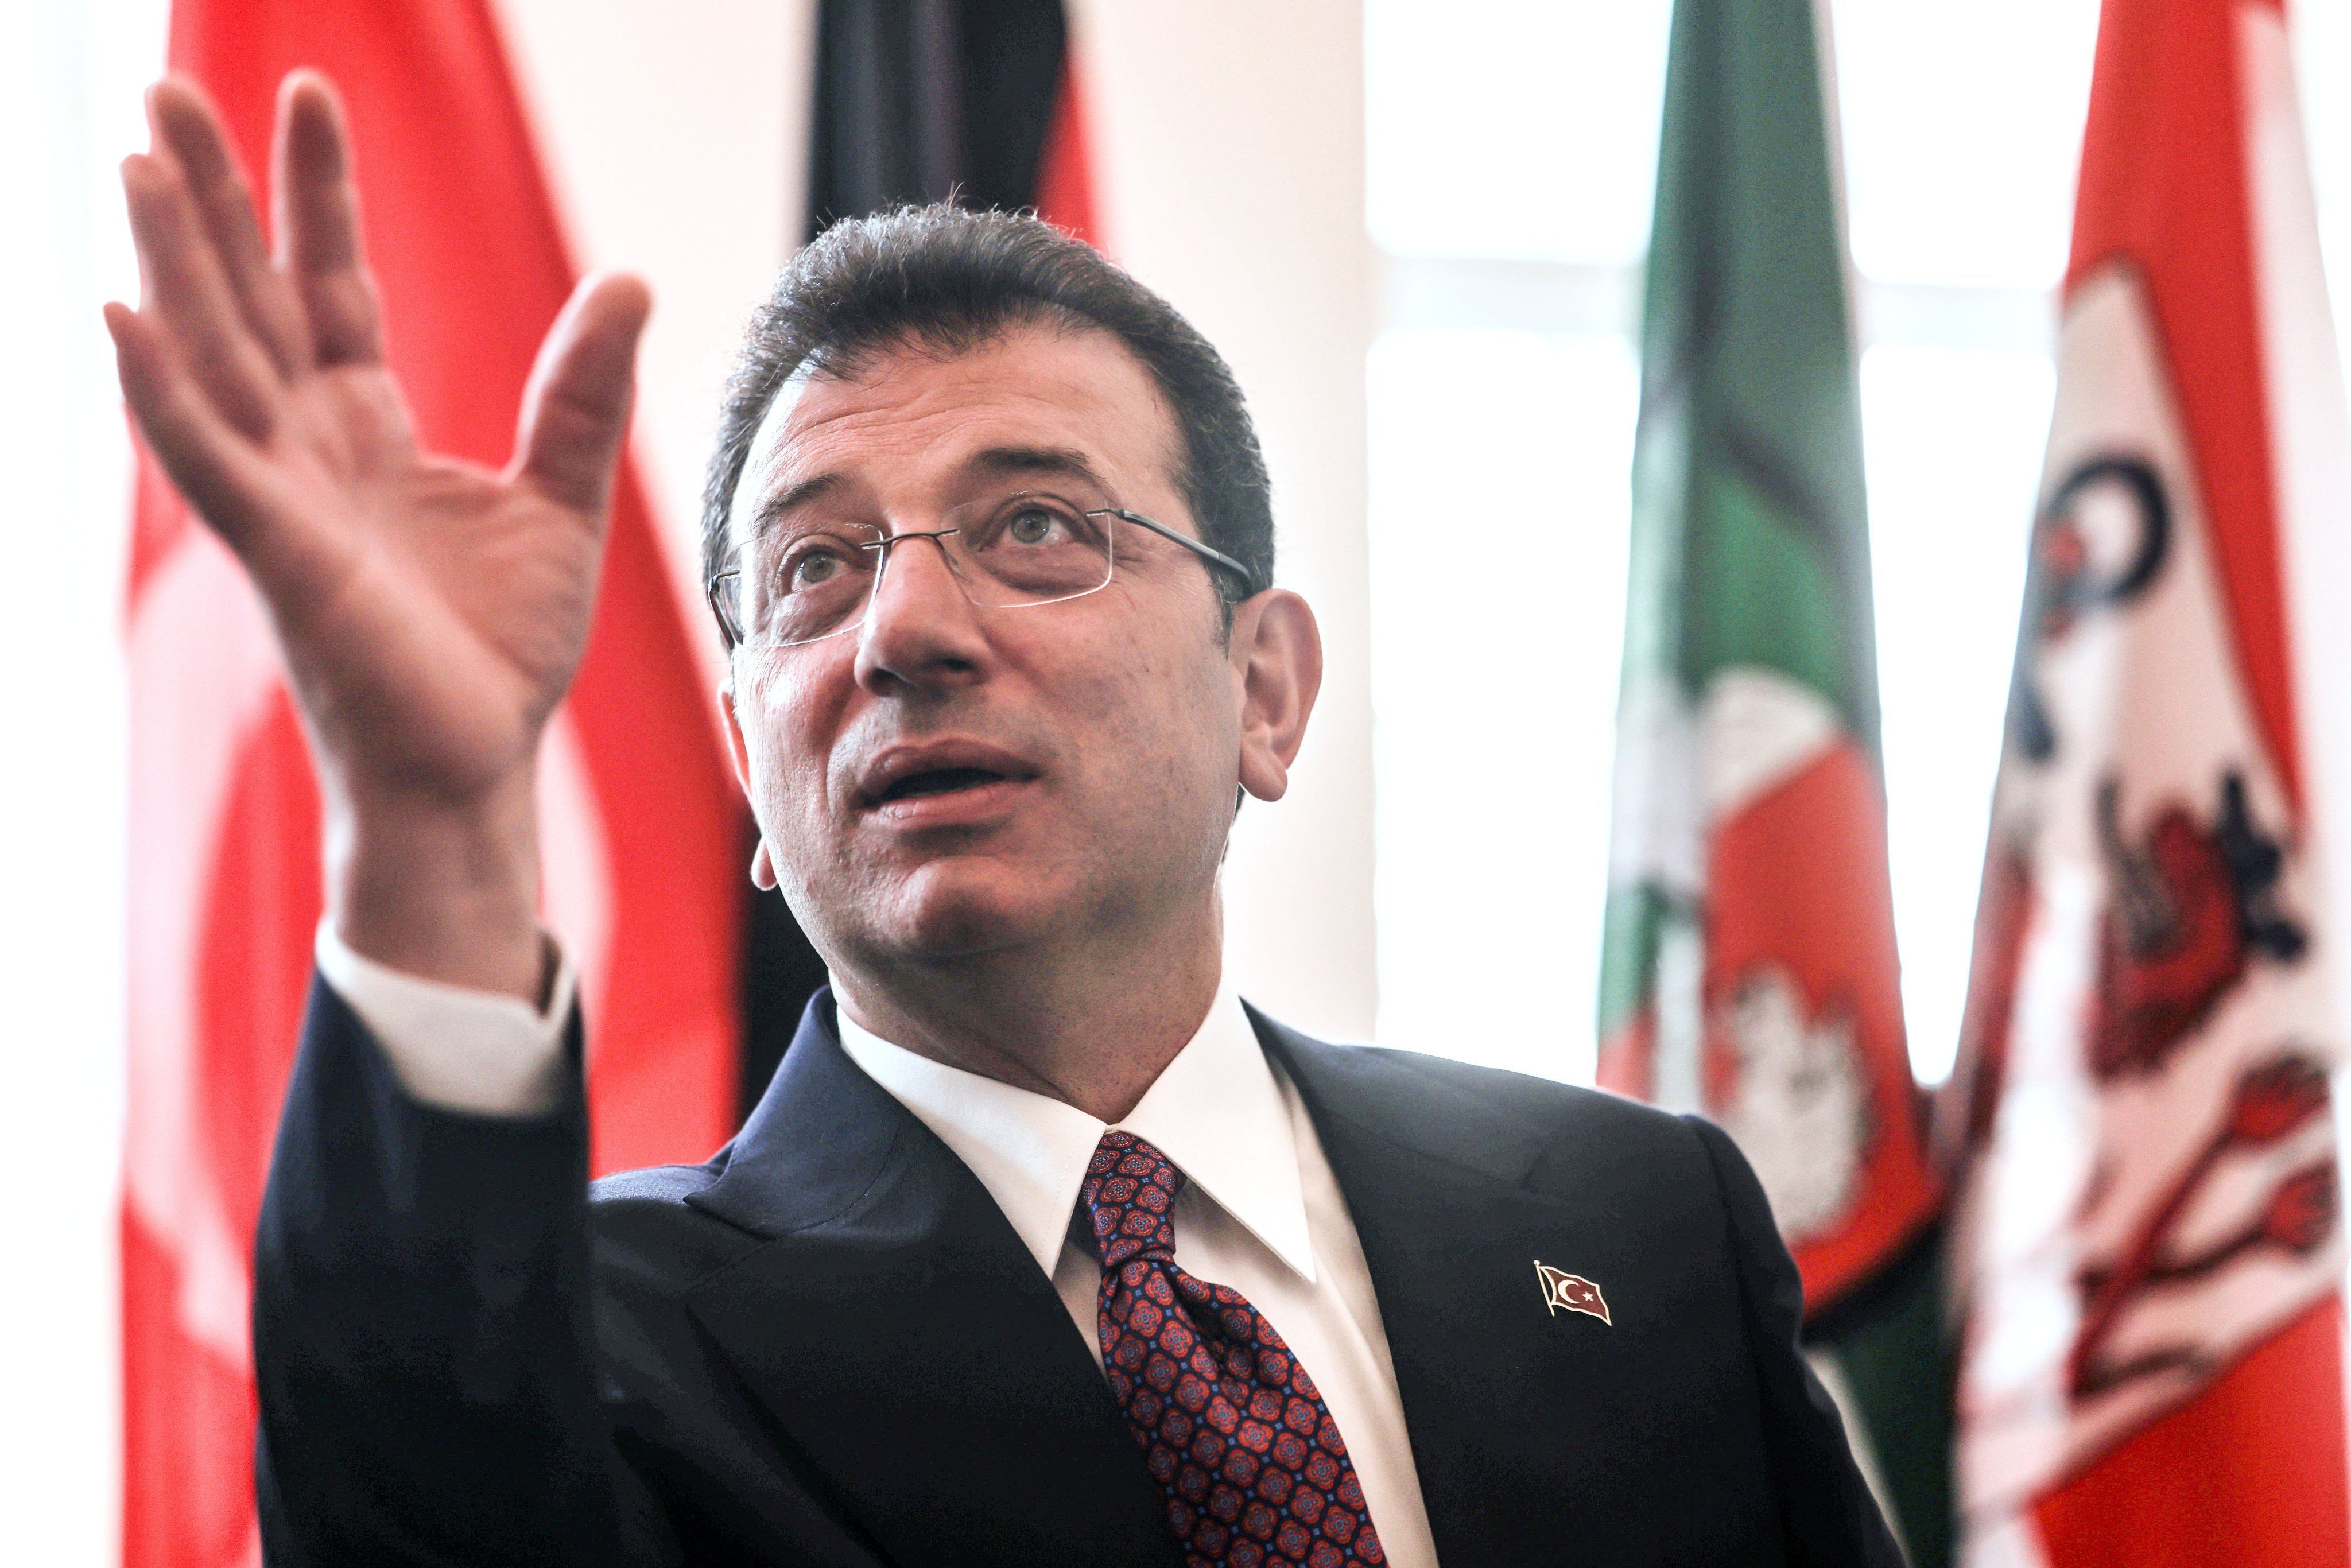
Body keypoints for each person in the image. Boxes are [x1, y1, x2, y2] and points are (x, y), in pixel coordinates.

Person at [110, 69, 1903, 1568]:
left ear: (1265, 690)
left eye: (1039, 525)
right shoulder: (579, 1341)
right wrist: (431, 825)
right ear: (753, 765)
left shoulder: (1637, 1217)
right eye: (814, 568)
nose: (901, 631)